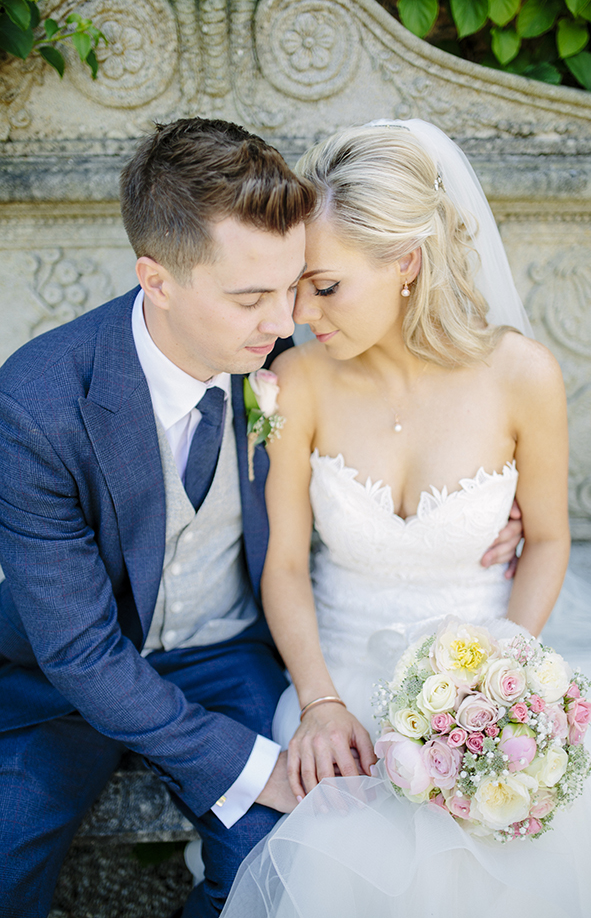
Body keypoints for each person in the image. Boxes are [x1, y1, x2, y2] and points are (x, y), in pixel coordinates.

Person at [0, 117, 520, 918]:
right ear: (158, 280)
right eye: (252, 297)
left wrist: (485, 498)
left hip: (225, 658)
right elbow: (77, 647)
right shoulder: (36, 405)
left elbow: (419, 393)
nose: (287, 321)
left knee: (273, 872)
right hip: (63, 677)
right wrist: (246, 766)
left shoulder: (292, 355)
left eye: (294, 284)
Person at [220, 121, 591, 918]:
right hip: (333, 678)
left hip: (482, 671)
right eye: (296, 282)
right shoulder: (293, 382)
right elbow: (287, 564)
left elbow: (546, 538)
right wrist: (321, 703)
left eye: (324, 286)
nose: (298, 311)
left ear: (406, 263)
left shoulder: (521, 376)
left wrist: (506, 664)